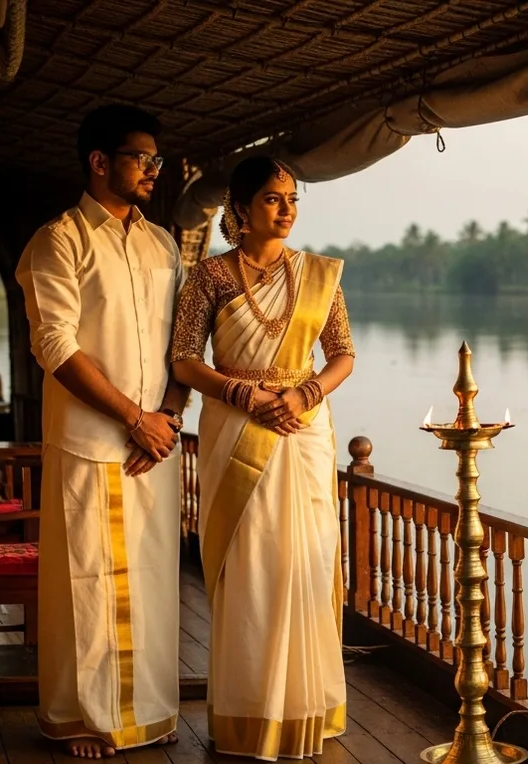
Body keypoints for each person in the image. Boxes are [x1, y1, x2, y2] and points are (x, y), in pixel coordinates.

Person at [16, 104, 187, 758]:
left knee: (152, 580)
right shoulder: (59, 240)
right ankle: (86, 719)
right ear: (99, 162)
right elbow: (54, 345)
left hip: (157, 444)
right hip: (93, 440)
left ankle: (148, 709)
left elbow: (183, 341)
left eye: (155, 160)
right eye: (141, 159)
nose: (152, 170)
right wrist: (132, 418)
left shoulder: (162, 242)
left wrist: (167, 418)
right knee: (88, 583)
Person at [170, 156, 353, 760]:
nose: (286, 209)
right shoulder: (210, 277)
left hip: (304, 426)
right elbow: (184, 360)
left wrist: (304, 393)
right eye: (273, 199)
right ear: (241, 210)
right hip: (235, 423)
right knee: (251, 564)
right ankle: (250, 714)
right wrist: (242, 392)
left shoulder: (319, 275)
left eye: (293, 199)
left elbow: (343, 354)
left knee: (307, 556)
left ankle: (307, 706)